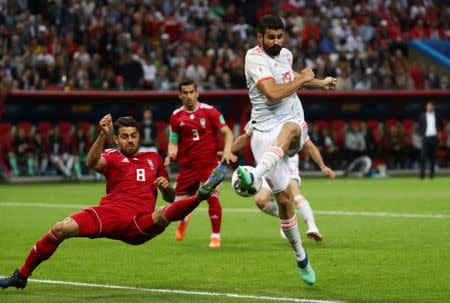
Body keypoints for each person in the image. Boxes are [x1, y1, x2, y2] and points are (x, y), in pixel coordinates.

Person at [0, 114, 226, 290]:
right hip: (108, 214)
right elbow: (91, 163)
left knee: (161, 212)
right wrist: (101, 135)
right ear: (116, 139)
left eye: (134, 135)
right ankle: (21, 276)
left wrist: (167, 189)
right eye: (125, 137)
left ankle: (201, 195)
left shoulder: (153, 159)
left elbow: (168, 197)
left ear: (139, 135)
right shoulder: (111, 154)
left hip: (139, 222)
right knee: (60, 228)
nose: (130, 140)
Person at [236, 15, 337, 285]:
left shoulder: (286, 55)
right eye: (271, 37)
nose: (276, 42)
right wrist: (305, 79)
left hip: (290, 126)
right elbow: (272, 92)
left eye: (280, 37)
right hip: (264, 135)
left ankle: (255, 176)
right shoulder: (254, 58)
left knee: (293, 127)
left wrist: (318, 82)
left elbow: (289, 77)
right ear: (260, 37)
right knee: (283, 202)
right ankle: (301, 257)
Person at [231, 122, 336, 242]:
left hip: (287, 162)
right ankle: (286, 216)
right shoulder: (257, 117)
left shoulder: (291, 119)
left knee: (295, 194)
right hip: (265, 165)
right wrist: (227, 151)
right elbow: (245, 138)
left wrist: (322, 166)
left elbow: (309, 146)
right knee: (261, 201)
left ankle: (313, 228)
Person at [165, 80, 237, 248]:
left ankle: (215, 236)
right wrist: (171, 153)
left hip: (209, 165)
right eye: (185, 93)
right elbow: (173, 140)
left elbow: (227, 133)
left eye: (191, 92)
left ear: (197, 93)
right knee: (177, 207)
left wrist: (227, 151)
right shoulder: (176, 116)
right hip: (188, 167)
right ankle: (184, 219)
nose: (189, 96)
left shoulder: (210, 111)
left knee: (212, 198)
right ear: (180, 95)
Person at [418, 101, 442, 179]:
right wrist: (421, 135)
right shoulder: (422, 116)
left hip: (434, 138)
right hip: (425, 138)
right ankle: (422, 176)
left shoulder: (437, 115)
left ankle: (432, 176)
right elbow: (419, 127)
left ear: (433, 107)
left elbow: (441, 126)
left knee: (433, 158)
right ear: (426, 107)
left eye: (431, 106)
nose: (429, 107)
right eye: (428, 106)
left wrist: (439, 132)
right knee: (423, 158)